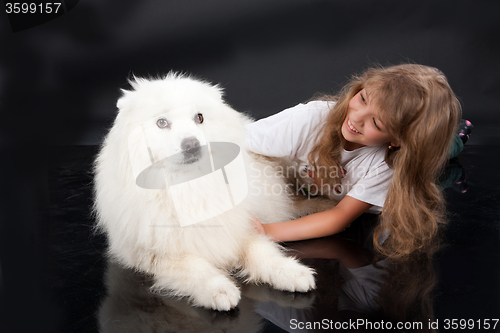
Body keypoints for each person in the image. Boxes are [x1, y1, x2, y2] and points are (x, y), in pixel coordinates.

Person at [247, 64, 465, 259]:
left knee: (441, 154)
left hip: (416, 156)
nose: (357, 118)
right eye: (363, 99)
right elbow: (237, 138)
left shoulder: (389, 165)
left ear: (397, 140)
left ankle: (459, 136)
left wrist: (268, 231)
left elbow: (340, 216)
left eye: (376, 123)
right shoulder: (309, 119)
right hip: (319, 181)